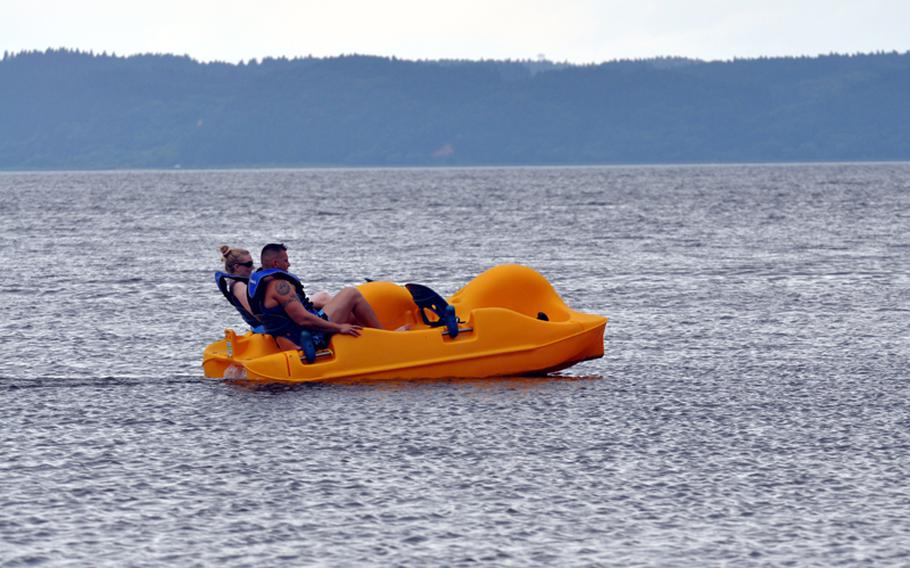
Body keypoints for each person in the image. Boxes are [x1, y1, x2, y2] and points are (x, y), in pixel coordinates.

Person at [248, 243, 385, 351]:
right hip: (309, 336)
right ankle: (387, 338)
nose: (289, 264)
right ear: (276, 264)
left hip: (289, 337)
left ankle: (368, 343)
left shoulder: (262, 283)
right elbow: (303, 319)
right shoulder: (280, 285)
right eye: (286, 260)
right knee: (351, 293)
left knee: (349, 314)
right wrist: (339, 328)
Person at [216, 245, 263, 332]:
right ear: (236, 267)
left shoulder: (242, 282)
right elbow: (254, 312)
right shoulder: (239, 286)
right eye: (249, 264)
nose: (253, 268)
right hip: (264, 329)